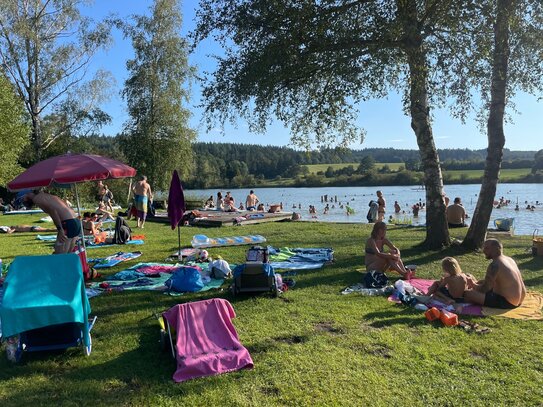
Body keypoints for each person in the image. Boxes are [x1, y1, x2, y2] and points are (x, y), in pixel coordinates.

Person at [463, 239, 526, 309]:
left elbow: (485, 289)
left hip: (507, 302)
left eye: (487, 248)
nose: (483, 251)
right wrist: (477, 283)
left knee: (467, 294)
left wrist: (473, 285)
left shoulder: (495, 265)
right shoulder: (509, 259)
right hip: (520, 299)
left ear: (496, 249)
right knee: (481, 282)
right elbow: (490, 282)